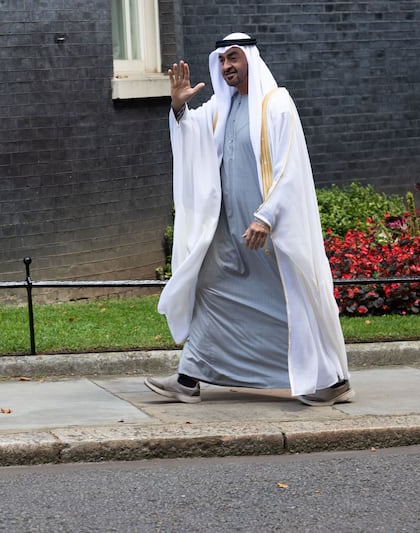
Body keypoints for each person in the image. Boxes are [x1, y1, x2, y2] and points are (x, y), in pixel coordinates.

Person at [144, 33, 354, 406]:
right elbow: (192, 138)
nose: (227, 66)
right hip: (229, 230)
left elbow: (290, 168)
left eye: (234, 58)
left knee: (292, 301)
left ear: (250, 61)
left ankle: (330, 379)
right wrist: (178, 108)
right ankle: (189, 378)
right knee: (209, 289)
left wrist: (266, 216)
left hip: (269, 232)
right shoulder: (220, 108)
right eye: (222, 60)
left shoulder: (277, 105)